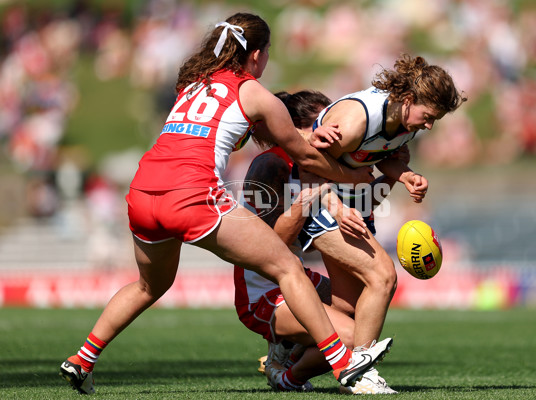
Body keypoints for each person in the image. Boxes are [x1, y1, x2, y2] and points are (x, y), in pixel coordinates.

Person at [58, 13, 393, 395]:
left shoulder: (192, 85)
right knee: (288, 268)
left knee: (149, 286)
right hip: (191, 194)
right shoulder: (251, 91)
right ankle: (344, 364)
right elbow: (304, 154)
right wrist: (356, 177)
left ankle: (82, 359)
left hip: (143, 192)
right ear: (256, 55)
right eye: (267, 53)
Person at [301, 53, 466, 354]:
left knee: (346, 309)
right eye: (428, 116)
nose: (428, 126)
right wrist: (337, 210)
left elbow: (380, 156)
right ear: (407, 99)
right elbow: (306, 165)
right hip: (313, 199)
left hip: (351, 204)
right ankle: (360, 369)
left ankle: (288, 367)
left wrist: (406, 176)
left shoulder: (407, 122)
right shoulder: (354, 123)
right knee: (384, 276)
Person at [234, 90, 396, 394]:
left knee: (356, 308)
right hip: (263, 290)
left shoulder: (324, 161)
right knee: (349, 338)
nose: (335, 132)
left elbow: (361, 203)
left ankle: (287, 352)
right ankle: (287, 376)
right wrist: (312, 193)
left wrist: (394, 174)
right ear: (294, 129)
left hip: (296, 276)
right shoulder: (271, 165)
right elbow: (273, 243)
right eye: (325, 122)